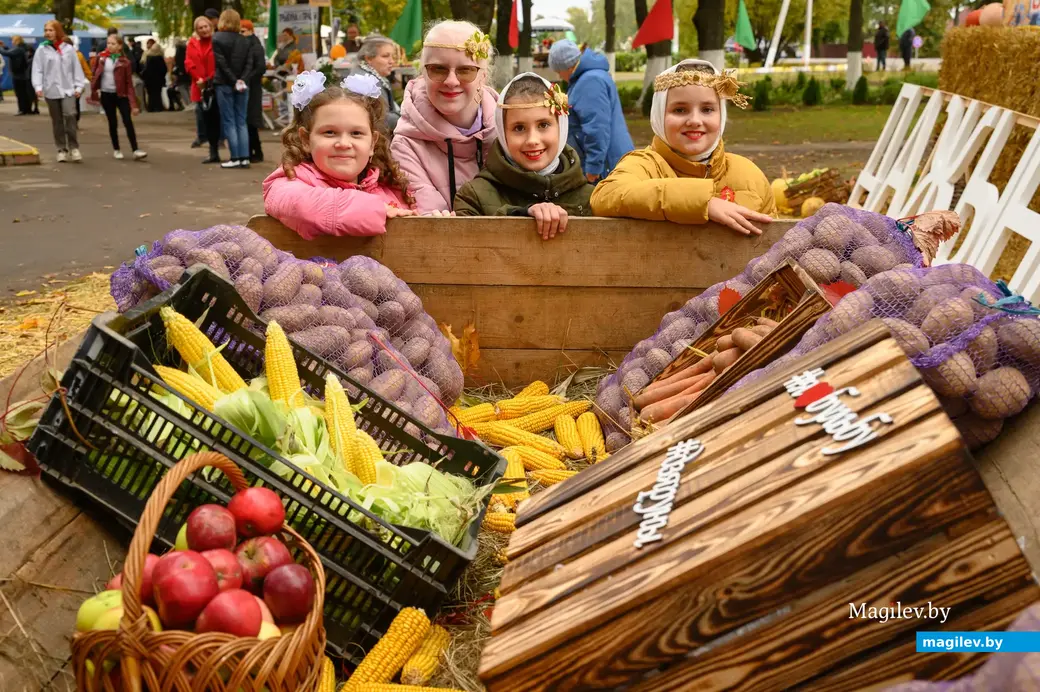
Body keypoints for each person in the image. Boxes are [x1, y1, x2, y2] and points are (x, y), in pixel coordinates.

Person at [591, 60, 776, 235]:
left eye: (707, 109)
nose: (695, 121)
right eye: (680, 110)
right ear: (659, 115)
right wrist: (705, 203)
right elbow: (606, 196)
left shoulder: (749, 174)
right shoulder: (643, 165)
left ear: (721, 114)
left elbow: (775, 245)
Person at [262, 72, 416, 239]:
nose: (343, 143)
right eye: (329, 132)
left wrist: (434, 219)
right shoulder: (289, 182)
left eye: (356, 133)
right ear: (306, 140)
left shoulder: (391, 188)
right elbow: (301, 207)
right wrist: (376, 210)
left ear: (372, 143)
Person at [454, 73, 593, 239]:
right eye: (519, 128)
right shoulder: (473, 197)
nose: (532, 140)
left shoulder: (594, 198)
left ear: (561, 126)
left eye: (543, 125)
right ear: (503, 133)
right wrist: (520, 214)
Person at [390, 20, 498, 213]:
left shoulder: (511, 130)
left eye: (466, 70)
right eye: (438, 69)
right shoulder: (406, 145)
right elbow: (432, 223)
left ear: (483, 75)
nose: (451, 81)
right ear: (423, 72)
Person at [548, 39, 634, 184]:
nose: (559, 76)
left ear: (566, 67)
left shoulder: (589, 81)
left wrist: (593, 167)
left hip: (606, 165)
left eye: (558, 71)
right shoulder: (590, 77)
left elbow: (597, 128)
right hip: (609, 160)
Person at [32, 20, 86, 163]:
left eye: (51, 30)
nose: (48, 33)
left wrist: (79, 86)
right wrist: (38, 87)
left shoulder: (68, 49)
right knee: (57, 121)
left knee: (70, 115)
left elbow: (76, 69)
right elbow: (37, 69)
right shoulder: (42, 49)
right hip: (51, 90)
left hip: (68, 89)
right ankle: (61, 149)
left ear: (58, 31)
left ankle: (74, 147)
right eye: (46, 30)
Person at [90, 32, 146, 161]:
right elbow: (94, 75)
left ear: (120, 46)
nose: (109, 46)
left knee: (127, 121)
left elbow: (129, 84)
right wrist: (94, 90)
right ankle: (116, 149)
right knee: (112, 122)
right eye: (108, 43)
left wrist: (134, 105)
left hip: (121, 95)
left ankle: (135, 149)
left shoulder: (125, 62)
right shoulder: (101, 58)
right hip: (106, 94)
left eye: (113, 44)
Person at [212, 9, 254, 169]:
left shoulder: (217, 38)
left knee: (229, 121)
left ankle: (235, 157)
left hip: (224, 84)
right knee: (241, 121)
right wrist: (242, 79)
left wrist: (233, 80)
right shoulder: (246, 40)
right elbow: (249, 63)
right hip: (243, 84)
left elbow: (221, 63)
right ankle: (245, 157)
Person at [186, 14, 222, 164]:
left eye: (206, 26)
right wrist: (198, 78)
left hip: (215, 84)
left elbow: (220, 63)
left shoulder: (217, 41)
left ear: (211, 26)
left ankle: (223, 147)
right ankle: (213, 151)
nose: (204, 29)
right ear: (197, 30)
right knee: (205, 119)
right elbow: (188, 63)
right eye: (200, 28)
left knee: (218, 118)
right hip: (199, 86)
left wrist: (207, 80)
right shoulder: (192, 43)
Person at [350, 36, 400, 132]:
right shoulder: (365, 81)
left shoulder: (366, 74)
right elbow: (380, 120)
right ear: (368, 58)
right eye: (385, 56)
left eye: (392, 56)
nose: (391, 61)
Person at [240, 19, 266, 163]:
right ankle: (252, 150)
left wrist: (247, 78)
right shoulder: (250, 44)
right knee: (249, 119)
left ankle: (256, 151)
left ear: (250, 30)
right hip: (251, 85)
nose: (241, 34)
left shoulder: (254, 46)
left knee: (251, 119)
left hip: (253, 87)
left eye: (243, 31)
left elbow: (260, 67)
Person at [0, 37, 34, 115]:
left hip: (19, 74)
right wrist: (4, 47)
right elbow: (10, 51)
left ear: (16, 40)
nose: (12, 42)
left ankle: (22, 109)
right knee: (24, 92)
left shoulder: (19, 49)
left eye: (12, 40)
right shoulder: (22, 48)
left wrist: (1, 48)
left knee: (20, 93)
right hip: (22, 73)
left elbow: (7, 53)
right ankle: (27, 109)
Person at [142, 39, 167, 112]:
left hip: (149, 80)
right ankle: (158, 107)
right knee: (157, 94)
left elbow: (146, 69)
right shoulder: (160, 58)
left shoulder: (149, 57)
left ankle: (151, 107)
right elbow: (164, 69)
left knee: (150, 94)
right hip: (158, 80)